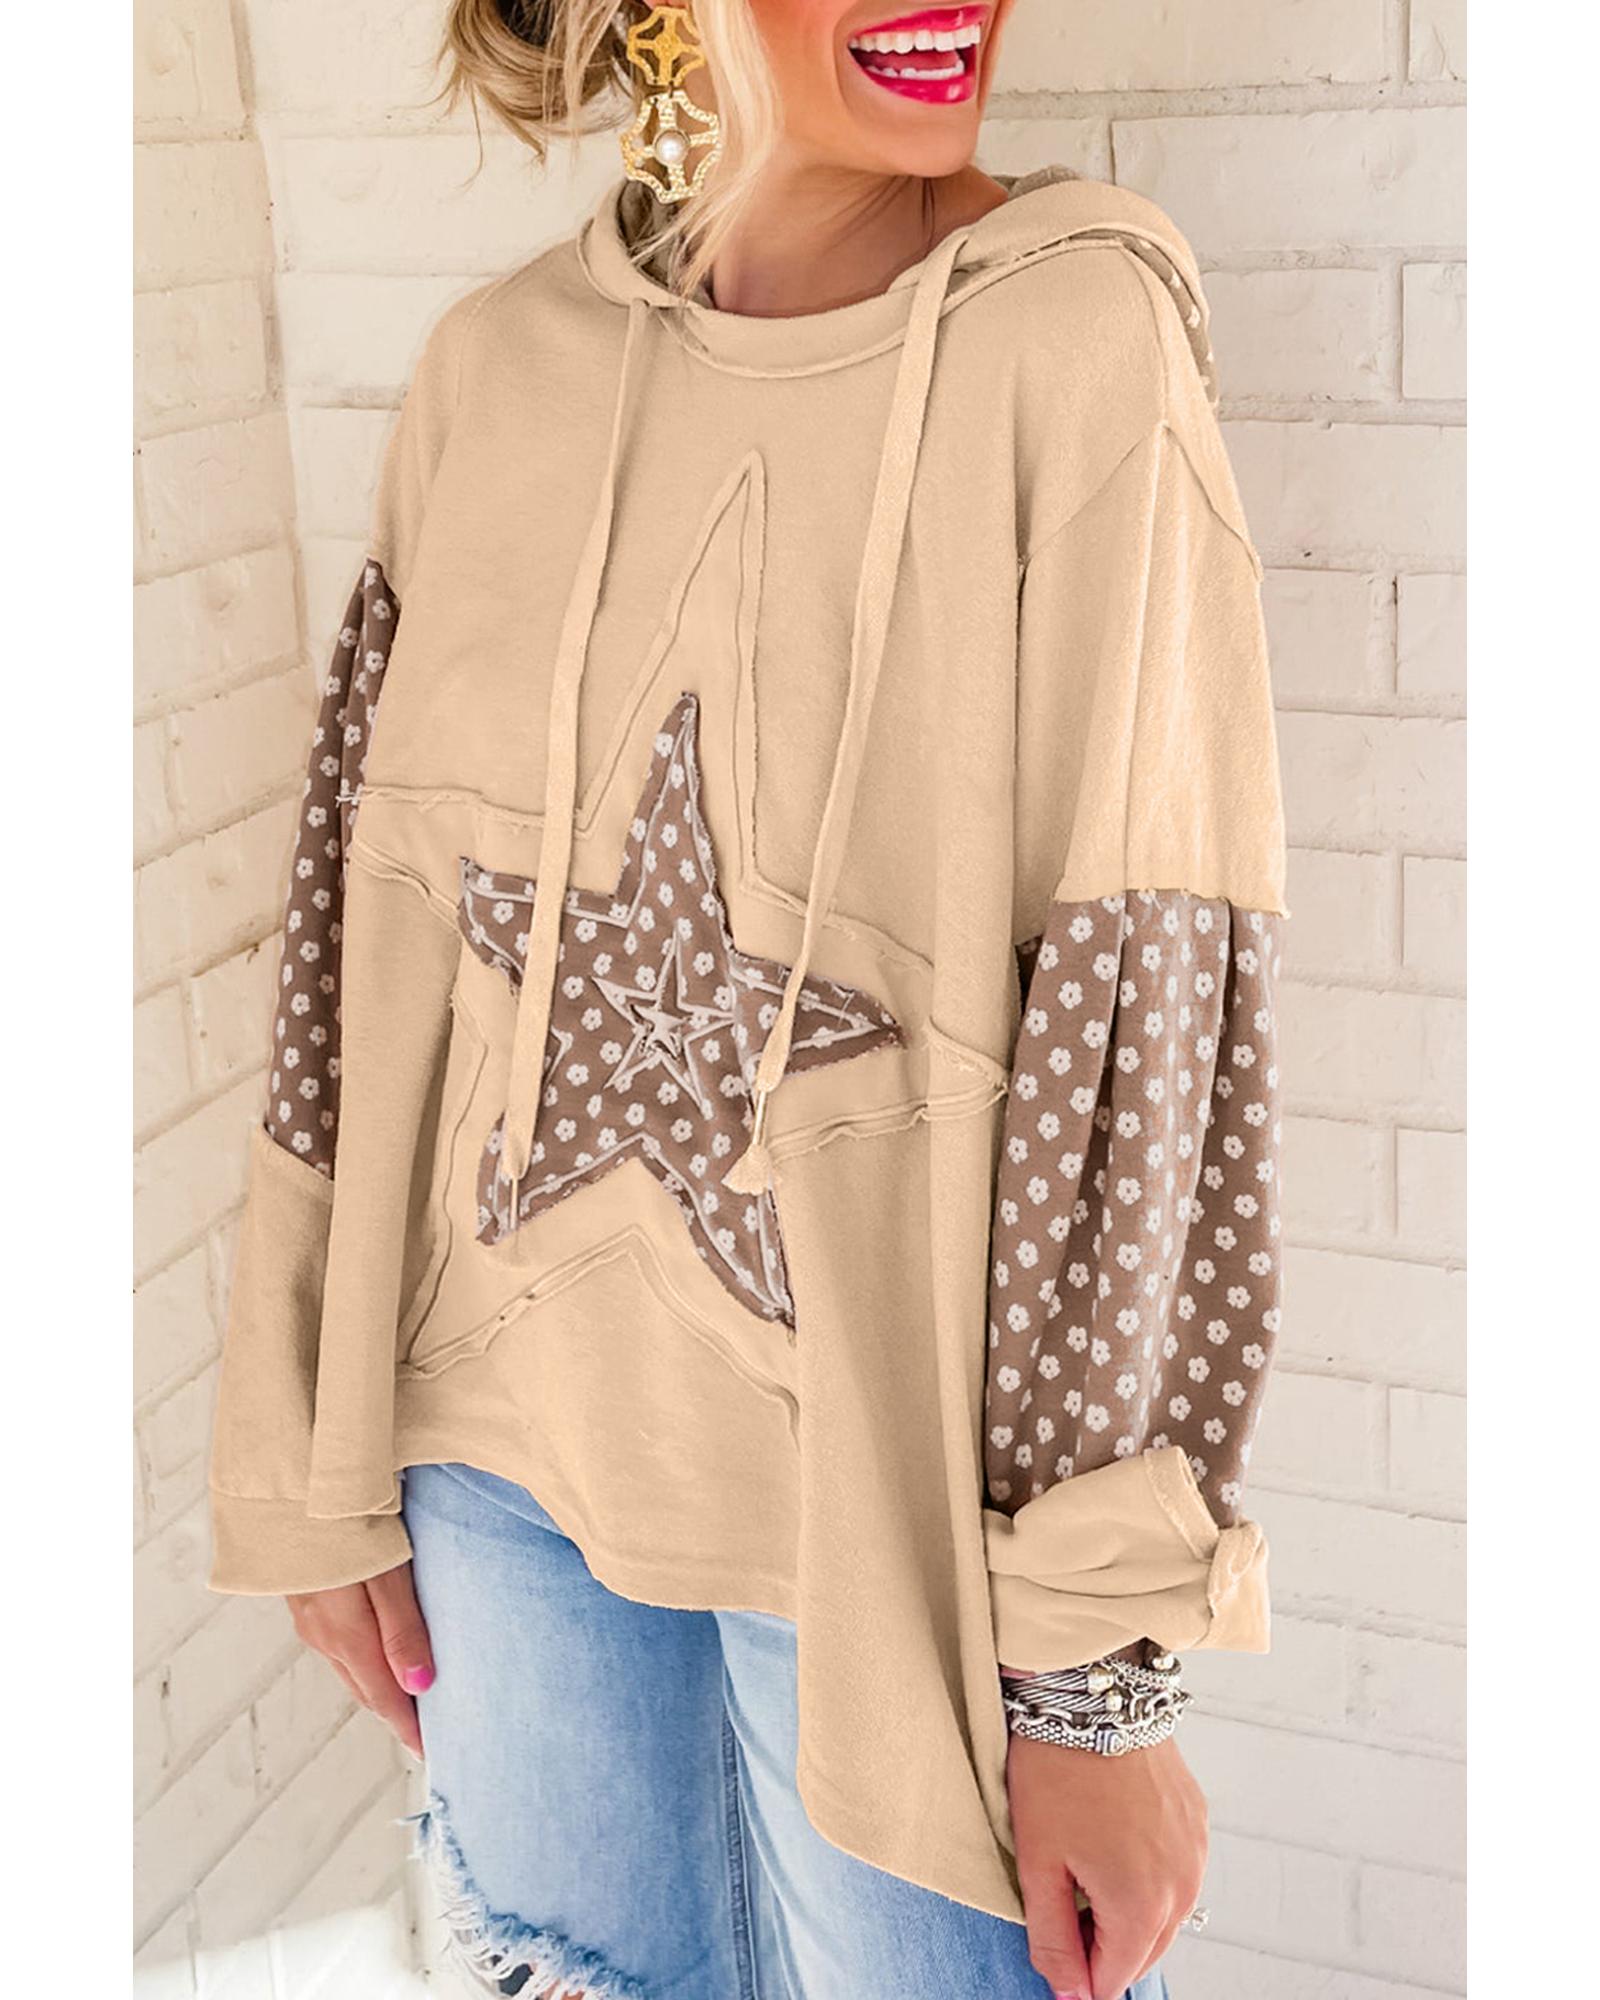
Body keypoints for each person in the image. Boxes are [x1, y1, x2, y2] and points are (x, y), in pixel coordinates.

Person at [206, 4, 1288, 1997]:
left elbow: (1139, 1024)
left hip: (881, 1534)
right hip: (490, 1476)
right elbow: (351, 946)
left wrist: (1092, 1679)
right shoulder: (490, 375)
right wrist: (308, 1450)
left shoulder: (1075, 340)